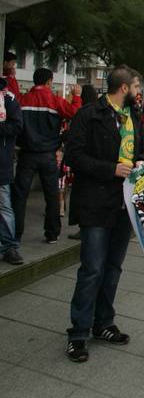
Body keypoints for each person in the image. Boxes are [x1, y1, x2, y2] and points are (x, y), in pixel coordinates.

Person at [65, 65, 144, 362]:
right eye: (137, 87)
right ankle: (78, 333)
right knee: (92, 269)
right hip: (95, 204)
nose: (139, 92)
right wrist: (110, 169)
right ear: (124, 88)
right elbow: (73, 156)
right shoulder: (89, 115)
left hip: (123, 205)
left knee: (113, 268)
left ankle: (103, 323)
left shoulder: (133, 116)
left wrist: (141, 161)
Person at [12, 68, 81, 244]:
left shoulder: (22, 100)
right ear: (50, 81)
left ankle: (15, 233)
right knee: (51, 195)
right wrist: (77, 96)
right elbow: (76, 114)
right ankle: (52, 233)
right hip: (49, 155)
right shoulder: (55, 101)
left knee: (20, 196)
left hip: (26, 155)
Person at [0, 75, 24, 265]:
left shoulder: (8, 99)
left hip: (2, 163)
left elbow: (16, 126)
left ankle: (9, 246)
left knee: (4, 206)